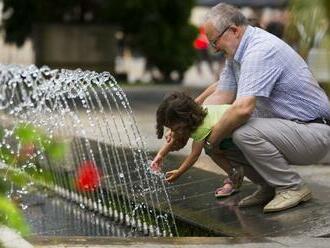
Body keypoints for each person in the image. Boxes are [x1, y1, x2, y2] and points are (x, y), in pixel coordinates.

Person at [170, 3, 329, 213]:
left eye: (215, 41)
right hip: (292, 130)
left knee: (239, 131)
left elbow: (243, 108)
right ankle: (268, 185)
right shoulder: (236, 56)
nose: (214, 48)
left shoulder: (259, 50)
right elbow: (222, 96)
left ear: (234, 31)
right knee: (221, 135)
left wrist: (213, 136)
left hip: (315, 132)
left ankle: (291, 186)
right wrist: (186, 123)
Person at [150, 92, 244, 197]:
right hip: (234, 122)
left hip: (240, 129)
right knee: (211, 145)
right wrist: (160, 155)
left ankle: (233, 173)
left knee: (210, 150)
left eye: (175, 128)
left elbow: (194, 155)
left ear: (185, 119)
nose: (172, 131)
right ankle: (234, 171)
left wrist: (179, 172)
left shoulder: (201, 128)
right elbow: (174, 137)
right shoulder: (194, 116)